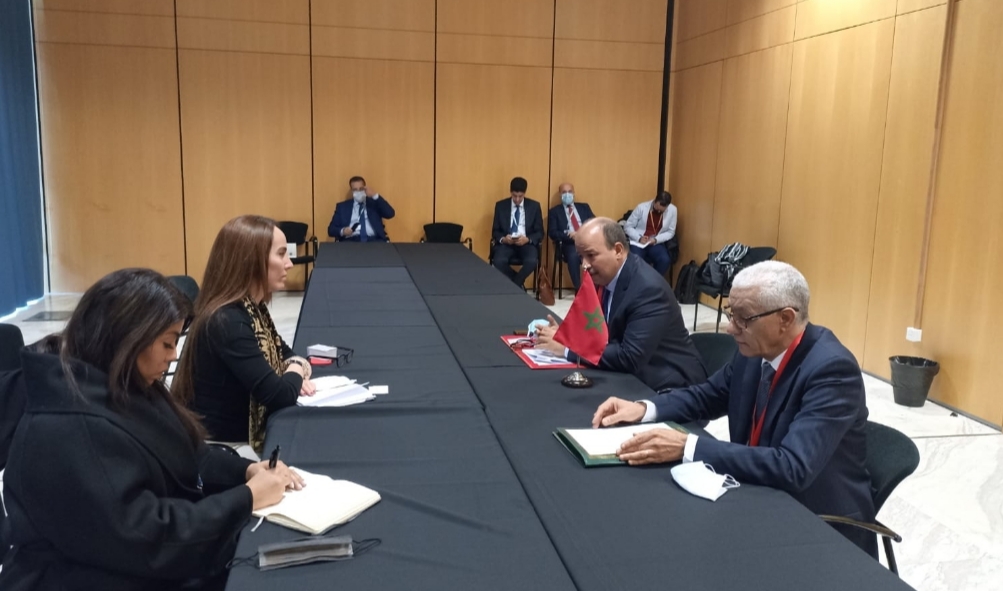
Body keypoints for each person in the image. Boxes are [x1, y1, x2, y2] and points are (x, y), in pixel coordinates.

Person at [0, 268, 303, 591]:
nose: (174, 356)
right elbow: (150, 538)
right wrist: (246, 499)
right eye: (168, 343)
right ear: (129, 338)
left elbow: (188, 453)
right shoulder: (69, 429)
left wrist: (247, 471)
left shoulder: (124, 379)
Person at [590, 261, 876, 557]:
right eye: (730, 314)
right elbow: (708, 396)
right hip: (755, 494)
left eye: (743, 319)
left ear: (785, 319)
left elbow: (792, 467)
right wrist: (644, 408)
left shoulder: (831, 369)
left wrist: (687, 445)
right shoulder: (754, 351)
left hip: (815, 525)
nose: (730, 328)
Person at [174, 215, 316, 456]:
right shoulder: (227, 320)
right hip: (221, 448)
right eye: (281, 254)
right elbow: (280, 395)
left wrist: (294, 365)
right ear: (252, 261)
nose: (289, 263)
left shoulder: (252, 308)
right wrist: (297, 369)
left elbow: (286, 353)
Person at [536, 218, 706, 391]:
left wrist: (569, 349)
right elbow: (600, 332)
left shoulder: (648, 289)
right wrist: (568, 336)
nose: (584, 265)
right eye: (581, 257)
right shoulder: (602, 276)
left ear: (617, 250)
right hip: (629, 373)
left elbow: (630, 356)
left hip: (669, 385)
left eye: (591, 255)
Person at [492, 176, 544, 288]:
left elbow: (540, 232)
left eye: (520, 196)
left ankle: (514, 285)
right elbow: (495, 231)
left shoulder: (534, 206)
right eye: (514, 196)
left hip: (525, 243)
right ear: (510, 192)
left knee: (531, 261)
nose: (517, 199)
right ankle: (518, 284)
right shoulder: (501, 206)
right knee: (498, 261)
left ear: (524, 193)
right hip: (507, 243)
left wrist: (528, 239)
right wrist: (504, 239)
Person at [547, 182, 595, 291]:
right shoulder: (555, 212)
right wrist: (569, 235)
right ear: (560, 194)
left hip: (587, 241)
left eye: (569, 192)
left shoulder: (584, 207)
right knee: (573, 256)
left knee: (598, 253)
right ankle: (579, 289)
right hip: (569, 244)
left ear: (574, 193)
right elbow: (553, 233)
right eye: (564, 192)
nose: (567, 194)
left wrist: (582, 233)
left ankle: (595, 288)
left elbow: (594, 223)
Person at [623, 191, 677, 277]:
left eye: (661, 211)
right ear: (655, 201)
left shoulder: (673, 210)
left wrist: (656, 239)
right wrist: (639, 238)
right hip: (638, 242)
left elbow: (671, 232)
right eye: (657, 209)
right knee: (635, 261)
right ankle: (637, 285)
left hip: (655, 242)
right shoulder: (641, 207)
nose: (658, 212)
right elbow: (627, 227)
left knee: (665, 260)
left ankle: (653, 281)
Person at [327, 175, 396, 242]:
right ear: (352, 191)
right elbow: (331, 230)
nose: (359, 192)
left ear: (365, 189)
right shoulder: (342, 207)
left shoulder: (374, 203)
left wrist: (375, 195)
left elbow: (390, 214)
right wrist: (343, 231)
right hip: (350, 242)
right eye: (355, 190)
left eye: (361, 189)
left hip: (374, 241)